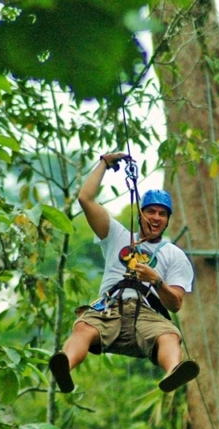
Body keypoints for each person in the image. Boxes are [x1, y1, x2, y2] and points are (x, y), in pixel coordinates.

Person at [49, 152, 199, 393]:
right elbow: (86, 199)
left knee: (170, 334)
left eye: (162, 214)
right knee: (84, 327)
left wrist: (157, 281)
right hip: (110, 308)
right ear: (141, 214)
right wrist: (104, 164)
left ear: (168, 220)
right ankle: (65, 364)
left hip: (147, 314)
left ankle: (173, 370)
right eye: (151, 212)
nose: (156, 218)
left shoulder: (174, 254)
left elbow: (176, 304)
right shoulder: (117, 235)